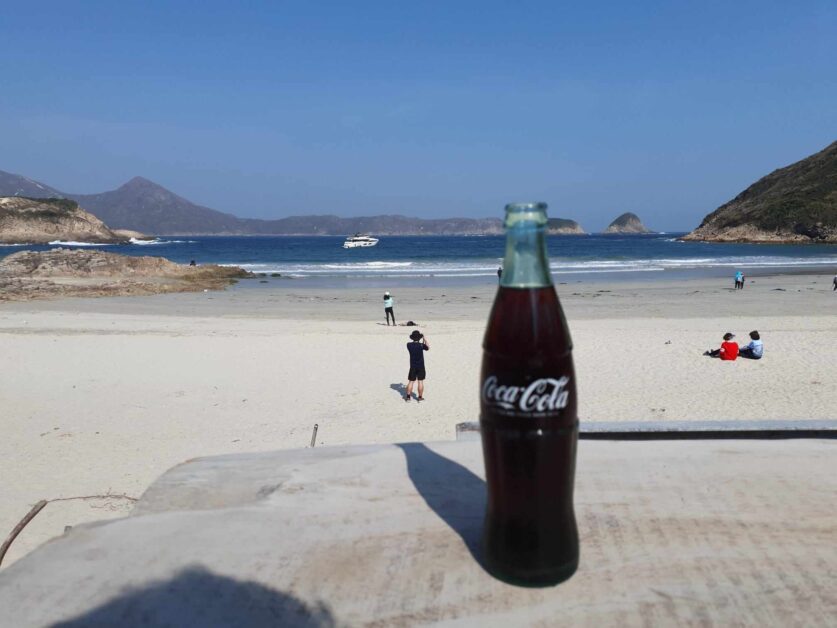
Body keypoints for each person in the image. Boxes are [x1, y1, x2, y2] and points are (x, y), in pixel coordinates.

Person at [405, 330, 430, 401]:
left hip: (413, 366)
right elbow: (428, 347)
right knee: (420, 381)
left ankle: (408, 397)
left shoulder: (408, 345)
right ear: (419, 338)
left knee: (411, 381)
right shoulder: (421, 345)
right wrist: (424, 339)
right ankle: (420, 397)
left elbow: (417, 344)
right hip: (421, 366)